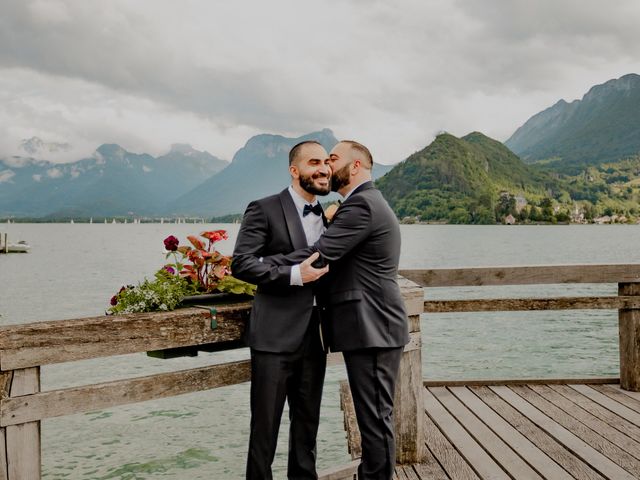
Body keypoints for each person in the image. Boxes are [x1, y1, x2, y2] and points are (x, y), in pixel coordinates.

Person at [263, 140, 409, 480]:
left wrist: (256, 264)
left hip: (372, 326)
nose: (328, 166)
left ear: (355, 166)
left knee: (374, 419)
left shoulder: (361, 206)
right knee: (375, 416)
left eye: (333, 159)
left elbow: (319, 255)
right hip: (373, 325)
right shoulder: (361, 204)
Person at [231, 140, 332, 480]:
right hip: (273, 338)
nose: (323, 169)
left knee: (307, 430)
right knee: (265, 433)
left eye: (326, 162)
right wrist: (292, 274)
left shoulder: (330, 216)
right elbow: (241, 264)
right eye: (314, 162)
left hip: (315, 338)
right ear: (294, 170)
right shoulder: (264, 208)